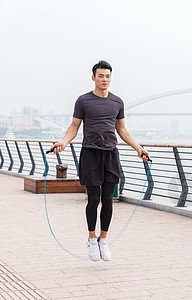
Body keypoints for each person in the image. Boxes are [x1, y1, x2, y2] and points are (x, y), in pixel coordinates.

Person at [51, 60, 150, 261]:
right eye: (100, 76)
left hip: (110, 154)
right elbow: (74, 127)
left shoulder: (117, 102)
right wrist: (63, 141)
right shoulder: (83, 101)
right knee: (93, 199)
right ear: (93, 77)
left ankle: (103, 240)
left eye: (107, 76)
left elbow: (122, 130)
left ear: (110, 78)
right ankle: (91, 239)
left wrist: (139, 148)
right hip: (90, 154)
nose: (104, 79)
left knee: (108, 199)